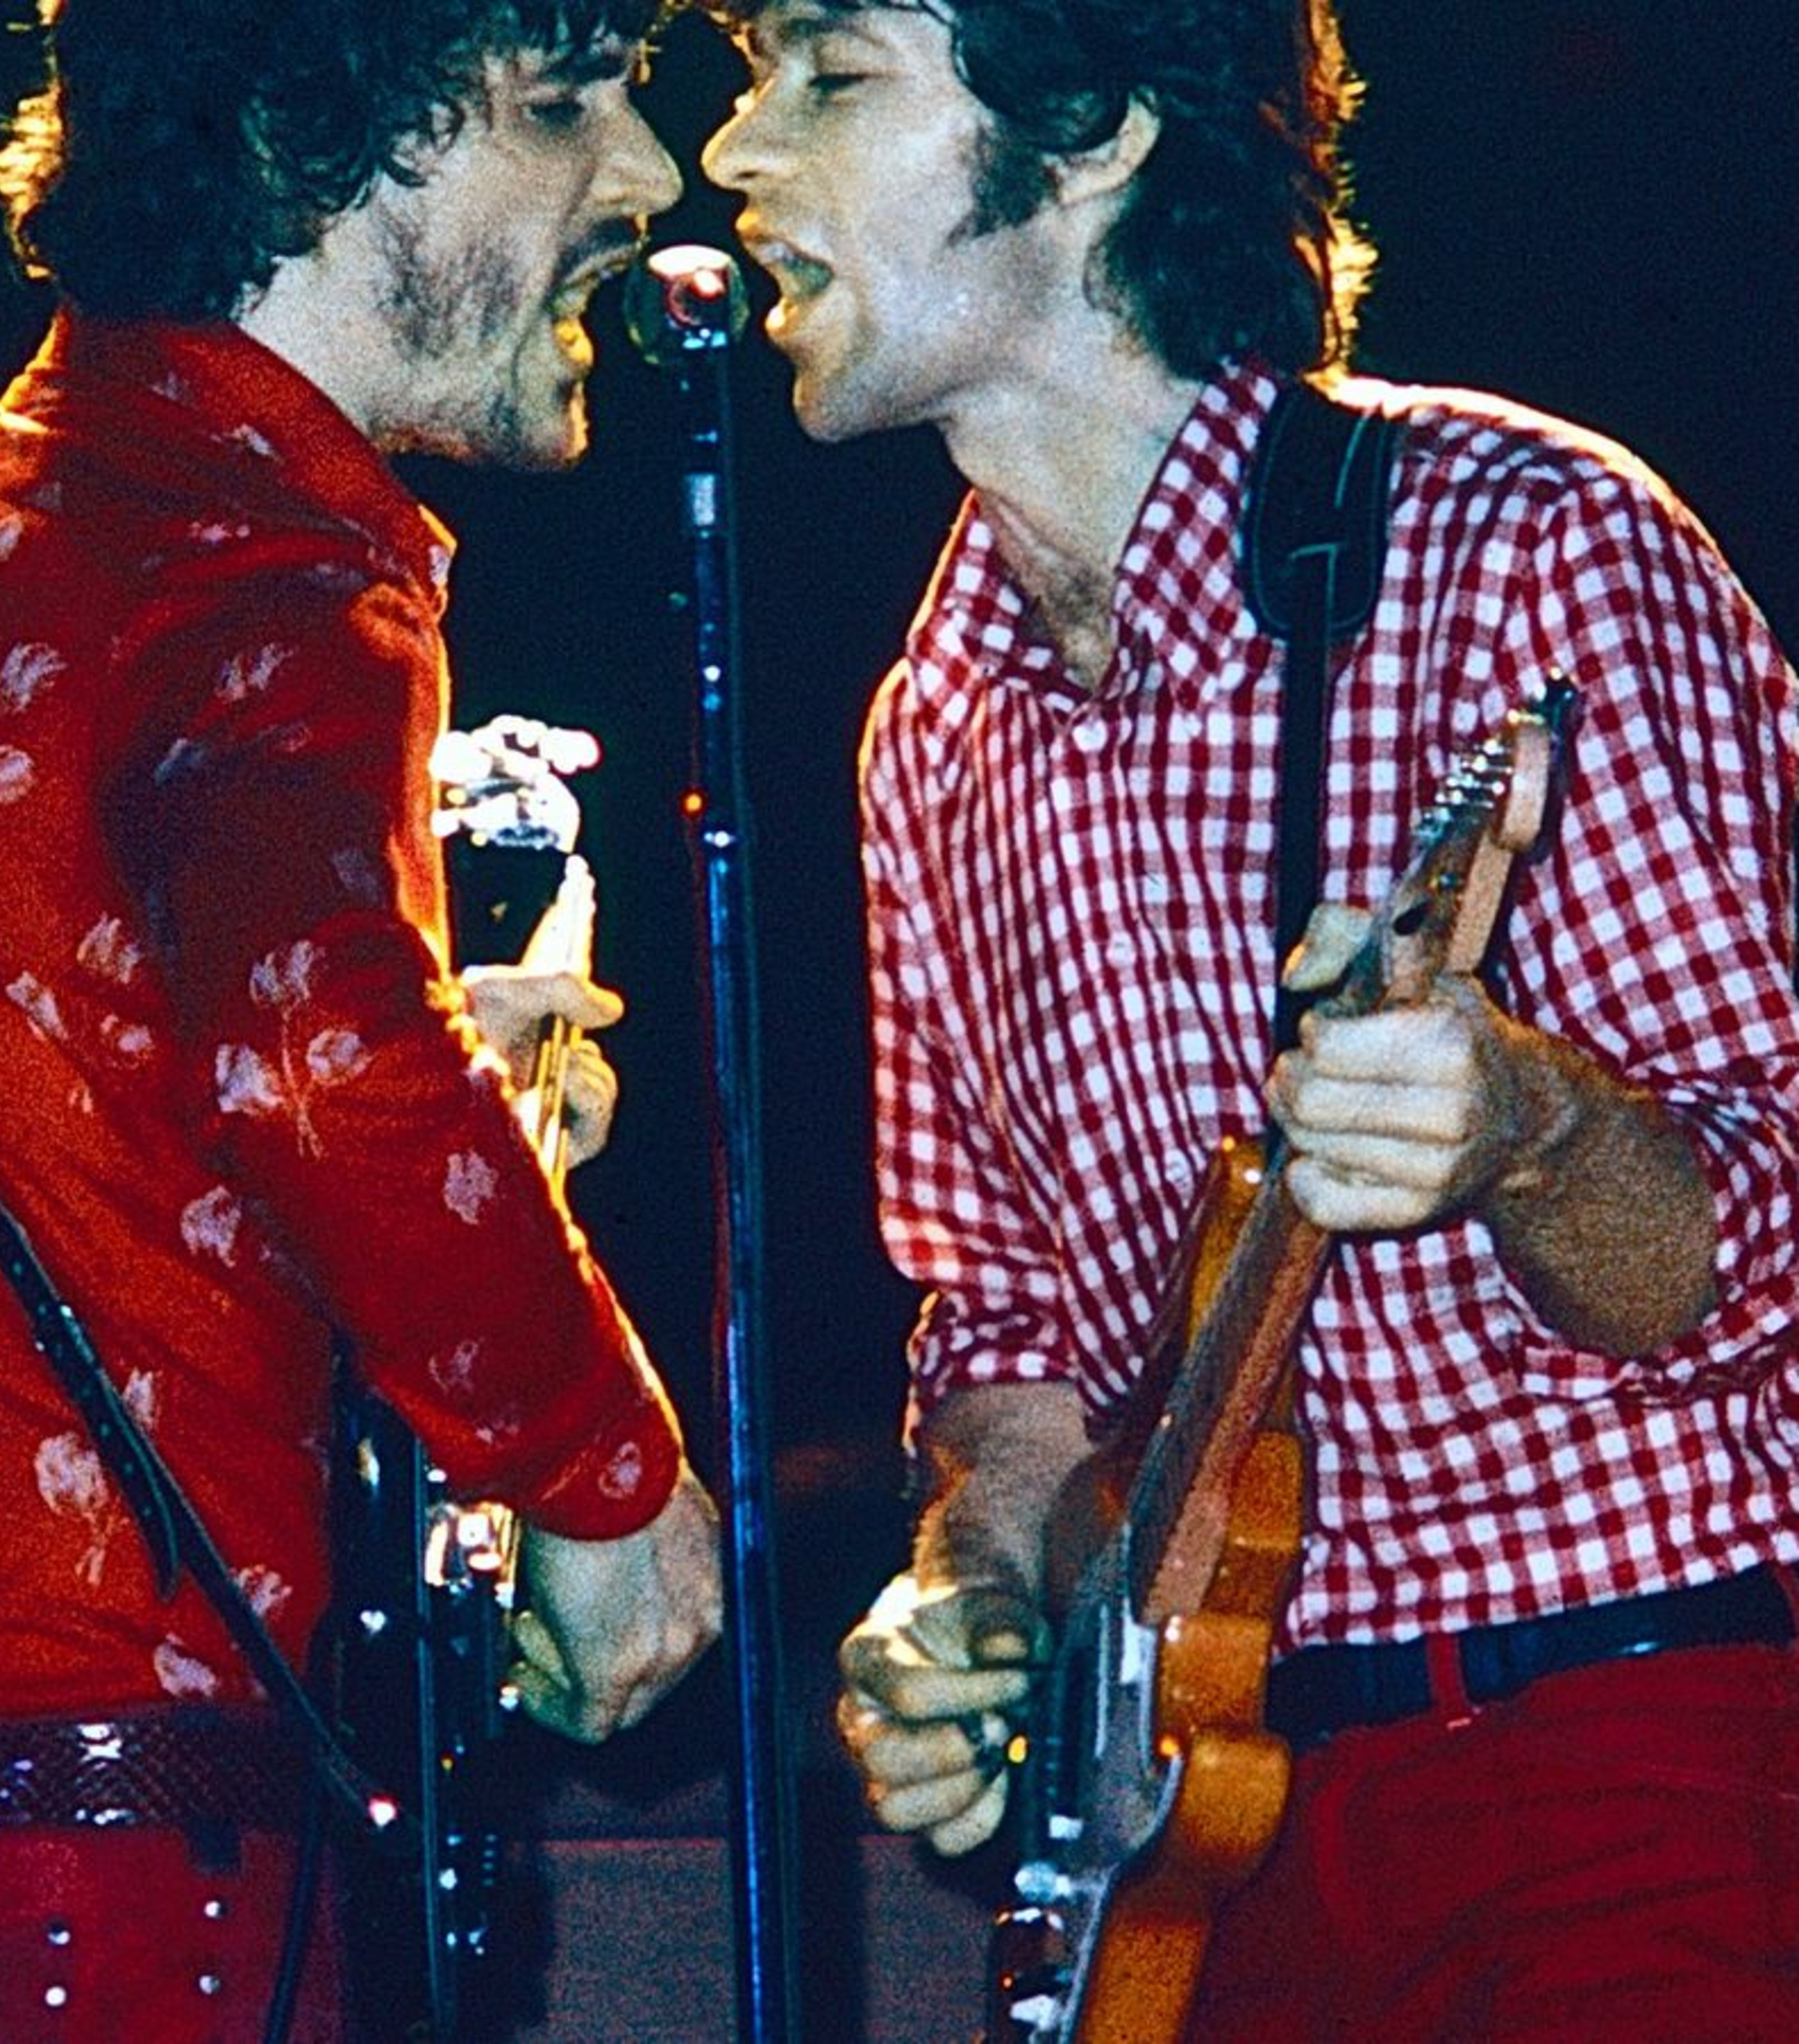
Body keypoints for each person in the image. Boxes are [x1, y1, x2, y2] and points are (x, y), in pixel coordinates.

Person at [699, 0, 1799, 2033]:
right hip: (1215, 1847)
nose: (739, 153)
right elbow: (1011, 1341)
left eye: (831, 76)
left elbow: (1764, 1237)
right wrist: (965, 1601)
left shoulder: (1522, 546)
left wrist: (1536, 1130)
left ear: (1097, 128)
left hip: (1627, 1750)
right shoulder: (932, 731)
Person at [0, 0, 722, 2034]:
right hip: (121, 1858)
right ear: (308, 143)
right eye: (564, 102)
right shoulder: (258, 552)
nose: (650, 176)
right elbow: (320, 1057)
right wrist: (603, 1486)